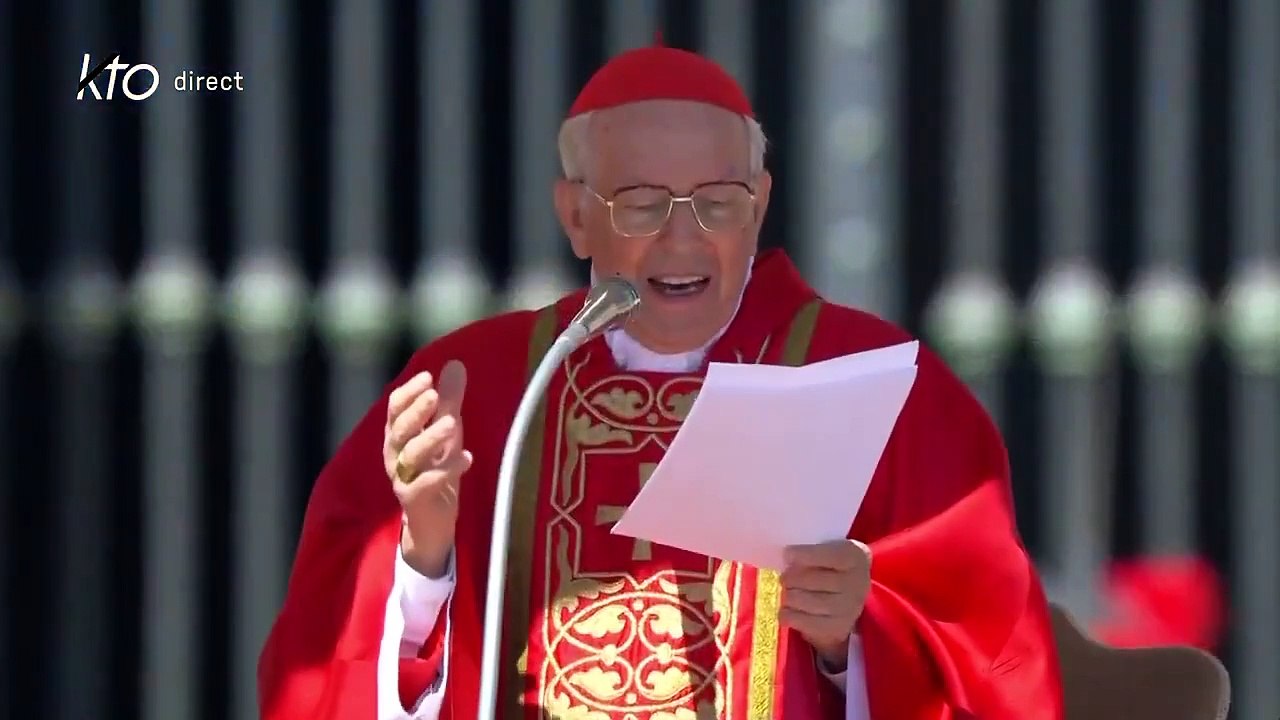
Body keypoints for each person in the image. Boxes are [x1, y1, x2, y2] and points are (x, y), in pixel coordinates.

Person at [258, 43, 1064, 720]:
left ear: (760, 207)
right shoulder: (480, 386)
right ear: (575, 216)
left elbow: (998, 665)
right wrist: (425, 558)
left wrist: (852, 639)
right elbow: (319, 669)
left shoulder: (885, 387)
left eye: (718, 203)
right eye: (641, 205)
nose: (684, 239)